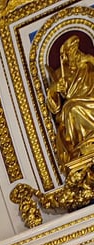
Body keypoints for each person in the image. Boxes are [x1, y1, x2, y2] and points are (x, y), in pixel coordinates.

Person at [46, 35, 94, 170]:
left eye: (77, 48)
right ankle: (84, 143)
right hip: (75, 105)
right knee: (71, 107)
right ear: (66, 55)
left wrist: (90, 60)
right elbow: (55, 109)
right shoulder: (60, 73)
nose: (76, 52)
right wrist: (54, 90)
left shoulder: (88, 66)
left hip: (92, 98)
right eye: (72, 50)